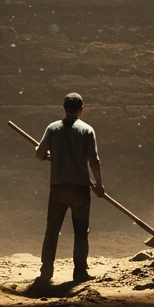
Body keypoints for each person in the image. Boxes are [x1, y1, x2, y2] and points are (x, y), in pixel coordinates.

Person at [34, 92, 105, 284]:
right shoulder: (87, 130)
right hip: (80, 188)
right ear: (81, 109)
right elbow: (93, 159)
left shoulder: (53, 128)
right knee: (81, 232)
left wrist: (49, 155)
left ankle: (46, 271)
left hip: (58, 187)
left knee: (52, 230)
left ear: (64, 108)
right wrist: (99, 184)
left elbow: (39, 154)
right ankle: (80, 272)